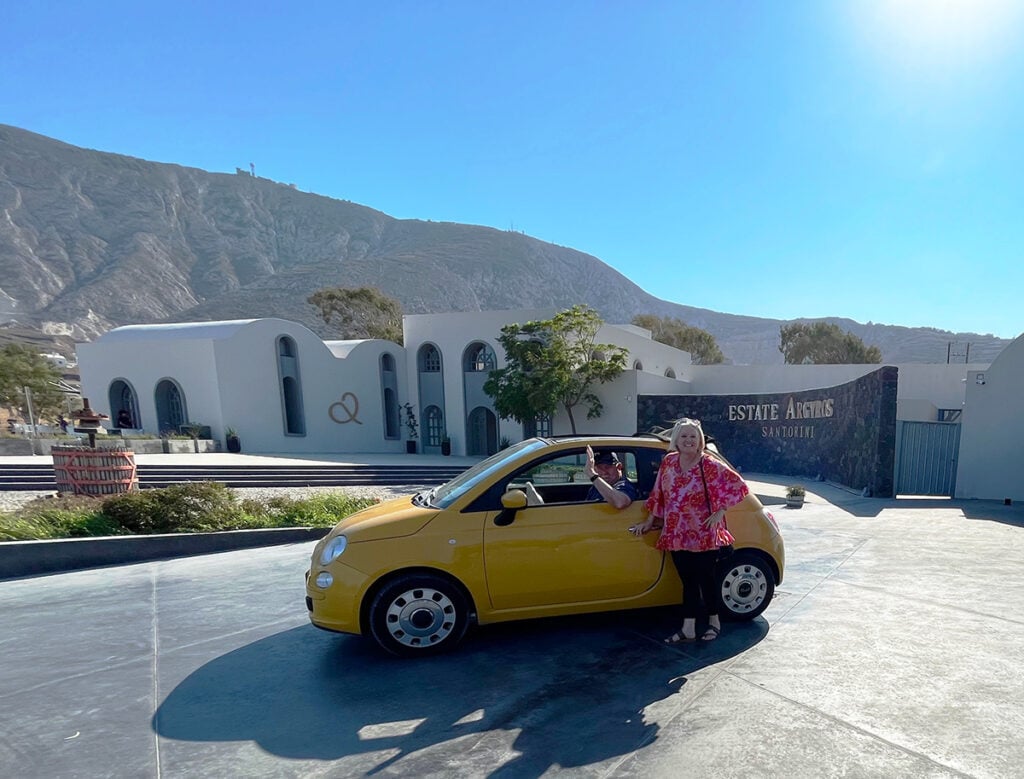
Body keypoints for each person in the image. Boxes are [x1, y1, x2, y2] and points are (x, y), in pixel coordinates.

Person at [631, 418, 750, 643]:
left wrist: (720, 511)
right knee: (688, 582)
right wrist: (649, 521)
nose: (688, 440)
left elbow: (738, 485)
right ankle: (689, 628)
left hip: (704, 532)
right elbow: (659, 494)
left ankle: (714, 622)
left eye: (693, 436)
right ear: (676, 439)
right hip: (676, 532)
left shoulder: (709, 464)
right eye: (684, 436)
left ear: (700, 440)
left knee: (706, 580)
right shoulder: (669, 462)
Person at [524, 446, 637, 509]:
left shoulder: (623, 485)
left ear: (619, 467)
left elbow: (620, 502)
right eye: (598, 468)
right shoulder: (599, 486)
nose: (603, 472)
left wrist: (592, 474)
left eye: (607, 467)